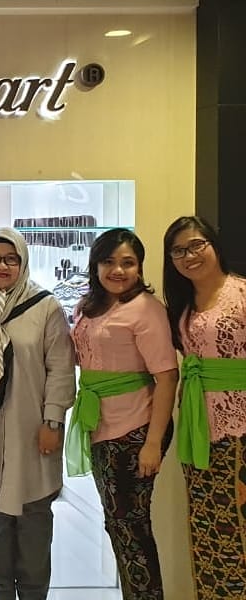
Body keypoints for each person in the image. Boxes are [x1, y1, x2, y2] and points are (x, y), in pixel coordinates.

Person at [66, 228, 178, 600]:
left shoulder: (146, 309)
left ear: (140, 267)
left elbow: (167, 376)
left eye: (128, 263)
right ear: (95, 265)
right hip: (100, 425)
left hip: (136, 428)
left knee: (132, 527)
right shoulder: (88, 307)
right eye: (109, 262)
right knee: (118, 525)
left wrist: (152, 443)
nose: (118, 270)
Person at [0, 227, 75, 600]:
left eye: (10, 259)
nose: (1, 266)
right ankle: (1, 593)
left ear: (23, 262)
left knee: (33, 520)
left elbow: (61, 368)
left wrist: (53, 421)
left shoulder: (45, 307)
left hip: (33, 429)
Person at [162, 216, 246, 599]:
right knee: (205, 523)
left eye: (197, 245)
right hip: (198, 428)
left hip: (239, 429)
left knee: (237, 527)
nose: (189, 255)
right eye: (179, 250)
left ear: (213, 244)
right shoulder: (182, 306)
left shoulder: (240, 293)